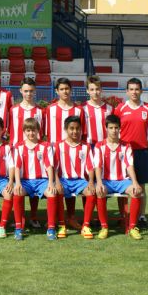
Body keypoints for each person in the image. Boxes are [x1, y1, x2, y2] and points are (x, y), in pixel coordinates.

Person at [113, 78, 148, 228]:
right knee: (122, 185)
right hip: (123, 154)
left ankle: (141, 216)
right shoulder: (120, 109)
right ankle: (124, 215)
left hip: (142, 153)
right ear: (127, 91)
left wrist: (145, 140)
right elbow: (113, 129)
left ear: (141, 91)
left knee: (141, 186)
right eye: (131, 89)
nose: (134, 92)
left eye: (137, 89)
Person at [93, 115, 143, 240]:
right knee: (100, 191)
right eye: (111, 128)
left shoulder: (126, 146)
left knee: (136, 192)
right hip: (106, 181)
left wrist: (135, 182)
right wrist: (99, 182)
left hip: (122, 181)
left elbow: (129, 165)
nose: (114, 130)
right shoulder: (99, 146)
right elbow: (97, 166)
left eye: (116, 127)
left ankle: (132, 227)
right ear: (106, 128)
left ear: (119, 128)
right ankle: (104, 227)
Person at [44, 77, 86, 229]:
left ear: (71, 90)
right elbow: (45, 133)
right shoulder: (50, 109)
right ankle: (58, 219)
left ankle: (71, 217)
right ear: (57, 91)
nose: (65, 91)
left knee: (72, 181)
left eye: (67, 88)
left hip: (74, 152)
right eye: (61, 89)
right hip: (55, 152)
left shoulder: (78, 110)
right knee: (58, 184)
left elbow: (82, 132)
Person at [12, 118, 58, 241]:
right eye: (28, 130)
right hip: (26, 181)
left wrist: (50, 183)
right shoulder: (19, 146)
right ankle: (18, 228)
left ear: (38, 131)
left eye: (34, 130)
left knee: (52, 193)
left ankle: (51, 228)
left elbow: (49, 166)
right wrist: (17, 183)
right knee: (17, 192)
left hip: (42, 181)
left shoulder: (45, 146)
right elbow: (17, 166)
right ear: (24, 131)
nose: (31, 133)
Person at [8, 76, 45, 228]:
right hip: (17, 152)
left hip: (35, 152)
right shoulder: (13, 110)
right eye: (25, 91)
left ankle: (34, 215)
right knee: (19, 184)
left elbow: (43, 133)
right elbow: (8, 130)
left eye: (31, 91)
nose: (28, 94)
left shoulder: (40, 111)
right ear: (20, 91)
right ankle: (20, 217)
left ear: (34, 91)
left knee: (33, 179)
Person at [52, 115, 97, 240]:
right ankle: (62, 225)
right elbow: (53, 166)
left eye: (77, 128)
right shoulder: (58, 145)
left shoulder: (86, 146)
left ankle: (86, 226)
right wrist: (56, 181)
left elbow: (90, 167)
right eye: (71, 128)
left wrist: (91, 182)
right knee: (58, 190)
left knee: (91, 192)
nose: (75, 131)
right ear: (66, 129)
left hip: (80, 181)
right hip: (63, 180)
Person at [82, 75, 113, 146]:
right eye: (92, 89)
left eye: (97, 89)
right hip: (89, 145)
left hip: (105, 145)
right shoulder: (82, 108)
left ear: (101, 89)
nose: (95, 92)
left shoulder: (109, 108)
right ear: (87, 91)